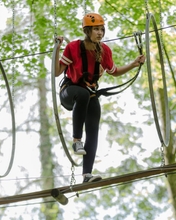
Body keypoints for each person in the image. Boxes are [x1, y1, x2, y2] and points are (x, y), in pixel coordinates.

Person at [54, 13, 145, 183]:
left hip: (90, 94)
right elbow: (56, 72)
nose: (100, 33)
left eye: (102, 29)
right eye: (96, 29)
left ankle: (87, 174)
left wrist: (134, 64)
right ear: (87, 31)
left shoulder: (104, 51)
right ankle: (76, 140)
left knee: (94, 127)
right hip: (70, 92)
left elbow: (115, 72)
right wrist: (57, 48)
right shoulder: (73, 47)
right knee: (82, 95)